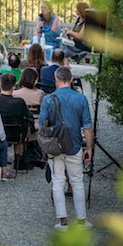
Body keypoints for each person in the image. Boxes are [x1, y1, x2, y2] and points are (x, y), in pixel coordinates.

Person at [41, 67, 93, 229]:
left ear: (56, 80)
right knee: (77, 181)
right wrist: (89, 148)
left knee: (57, 181)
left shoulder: (48, 99)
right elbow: (87, 127)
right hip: (74, 144)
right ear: (71, 80)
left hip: (55, 144)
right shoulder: (81, 99)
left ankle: (62, 220)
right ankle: (81, 220)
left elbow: (40, 124)